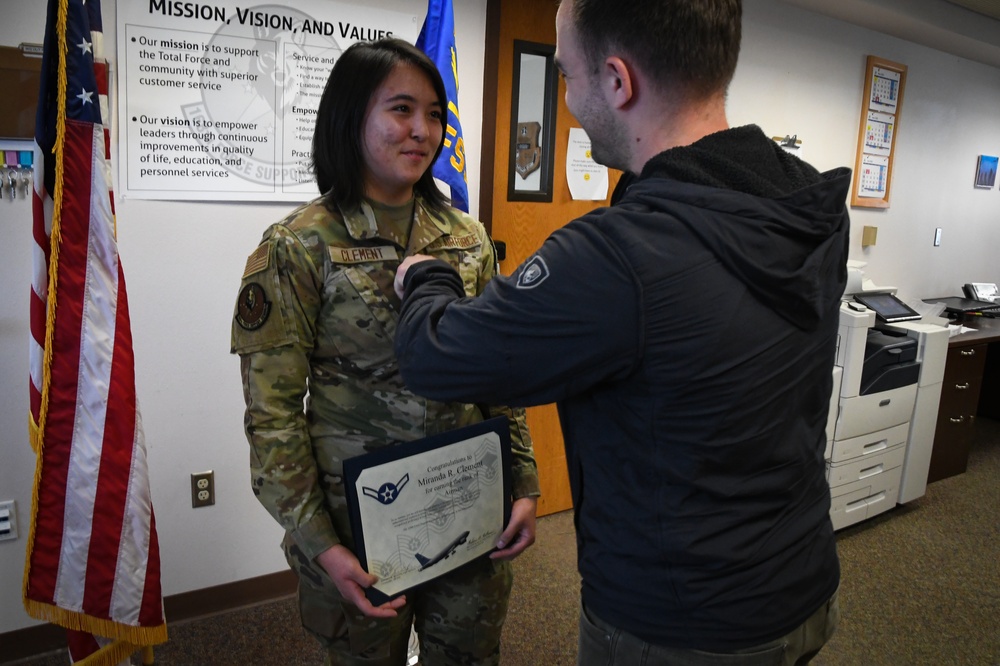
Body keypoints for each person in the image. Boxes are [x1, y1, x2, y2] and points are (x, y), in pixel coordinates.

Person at [392, 1, 849, 664]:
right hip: (799, 582)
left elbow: (432, 354)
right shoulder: (804, 201)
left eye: (568, 75)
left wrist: (430, 279)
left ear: (616, 80)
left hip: (679, 625)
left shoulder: (621, 257)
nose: (570, 100)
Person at [231, 38, 539, 666]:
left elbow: (498, 374)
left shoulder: (466, 236)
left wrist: (525, 482)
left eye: (434, 113)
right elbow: (274, 419)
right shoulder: (298, 246)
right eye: (402, 109)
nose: (422, 131)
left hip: (465, 505)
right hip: (360, 526)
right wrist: (321, 545)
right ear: (353, 116)